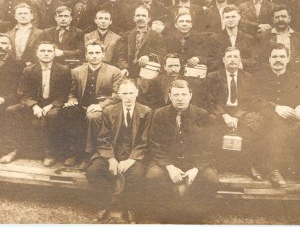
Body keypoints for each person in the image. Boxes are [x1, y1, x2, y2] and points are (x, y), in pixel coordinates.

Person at [146, 80, 219, 220]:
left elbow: (209, 147)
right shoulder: (159, 114)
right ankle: (166, 214)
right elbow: (154, 144)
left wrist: (196, 168)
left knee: (211, 180)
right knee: (154, 176)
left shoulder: (202, 114)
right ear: (170, 96)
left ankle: (195, 215)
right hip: (166, 160)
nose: (180, 98)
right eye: (176, 95)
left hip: (194, 162)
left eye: (184, 94)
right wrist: (169, 166)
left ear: (190, 95)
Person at [86, 79, 152, 223]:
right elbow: (103, 137)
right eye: (125, 93)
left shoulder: (146, 112)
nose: (128, 97)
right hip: (111, 152)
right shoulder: (110, 111)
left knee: (138, 174)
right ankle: (105, 205)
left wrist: (130, 160)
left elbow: (145, 141)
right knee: (94, 171)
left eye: (131, 93)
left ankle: (129, 208)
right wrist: (111, 158)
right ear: (119, 94)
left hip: (134, 155)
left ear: (137, 93)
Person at [0, 41, 72, 166]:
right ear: (37, 54)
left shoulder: (63, 70)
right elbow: (23, 93)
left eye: (49, 51)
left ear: (54, 54)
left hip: (53, 105)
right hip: (34, 104)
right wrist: (34, 105)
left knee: (52, 115)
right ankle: (14, 149)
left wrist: (52, 105)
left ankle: (49, 152)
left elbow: (64, 94)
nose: (46, 54)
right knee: (11, 111)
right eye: (43, 51)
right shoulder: (29, 70)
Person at [60, 40, 123, 170]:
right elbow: (71, 92)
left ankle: (88, 155)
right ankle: (74, 152)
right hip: (82, 105)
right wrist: (72, 100)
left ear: (103, 55)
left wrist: (100, 106)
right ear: (86, 55)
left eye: (97, 53)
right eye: (91, 53)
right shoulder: (76, 71)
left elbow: (117, 95)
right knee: (68, 112)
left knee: (92, 117)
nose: (94, 56)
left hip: (103, 108)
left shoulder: (114, 72)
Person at [206, 47, 264, 180]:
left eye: (236, 57)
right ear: (223, 60)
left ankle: (250, 165)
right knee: (210, 120)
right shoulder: (213, 76)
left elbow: (252, 101)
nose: (232, 60)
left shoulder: (248, 77)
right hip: (220, 110)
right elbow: (208, 100)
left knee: (255, 121)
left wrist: (237, 116)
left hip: (241, 111)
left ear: (240, 60)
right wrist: (224, 115)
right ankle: (212, 164)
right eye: (229, 57)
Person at [251, 43, 300, 187]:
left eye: (282, 56)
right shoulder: (259, 77)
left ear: (288, 58)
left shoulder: (296, 77)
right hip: (267, 117)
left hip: (292, 117)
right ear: (269, 59)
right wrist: (275, 107)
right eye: (275, 56)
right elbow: (252, 100)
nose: (278, 60)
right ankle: (273, 169)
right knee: (278, 128)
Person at [115, 5, 165, 78]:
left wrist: (149, 58)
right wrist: (124, 68)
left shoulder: (157, 36)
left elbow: (161, 54)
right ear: (134, 18)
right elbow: (120, 54)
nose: (140, 18)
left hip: (147, 72)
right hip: (129, 72)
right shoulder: (126, 35)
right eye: (138, 15)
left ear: (148, 19)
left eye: (143, 16)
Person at [212, 5, 258, 72]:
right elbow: (213, 60)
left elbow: (253, 60)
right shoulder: (215, 39)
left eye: (233, 16)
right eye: (227, 17)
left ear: (239, 17)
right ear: (223, 19)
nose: (230, 20)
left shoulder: (249, 39)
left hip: (244, 74)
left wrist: (239, 63)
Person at [258, 5, 300, 73]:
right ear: (273, 20)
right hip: (271, 73)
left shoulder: (298, 37)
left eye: (283, 16)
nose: (280, 19)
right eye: (277, 17)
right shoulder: (264, 36)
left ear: (289, 18)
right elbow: (260, 59)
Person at [0, 34, 24, 114]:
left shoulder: (18, 65)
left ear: (11, 46)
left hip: (7, 101)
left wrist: (4, 99)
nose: (0, 46)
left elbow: (20, 91)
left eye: (3, 43)